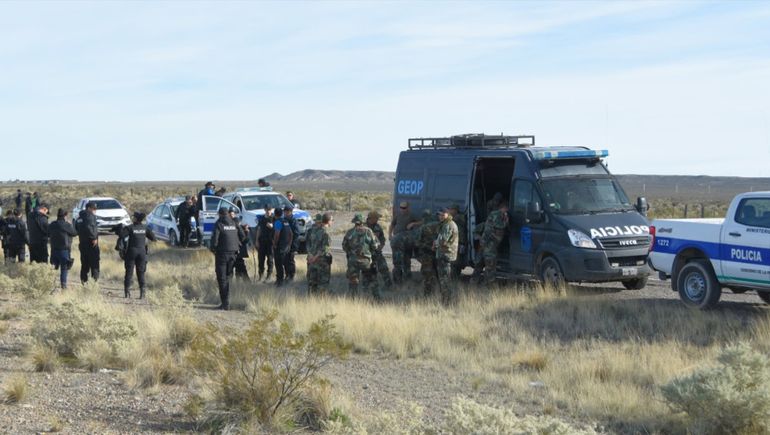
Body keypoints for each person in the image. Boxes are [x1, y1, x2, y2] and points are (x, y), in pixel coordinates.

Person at [210, 207, 244, 310]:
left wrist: (213, 249)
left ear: (220, 214)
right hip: (234, 254)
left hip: (222, 254)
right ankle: (227, 302)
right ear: (228, 214)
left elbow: (214, 240)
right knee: (227, 277)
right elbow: (243, 236)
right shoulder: (234, 223)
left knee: (222, 278)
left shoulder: (219, 223)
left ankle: (225, 303)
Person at [343, 213, 381, 300]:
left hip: (353, 260)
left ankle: (352, 300)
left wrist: (351, 253)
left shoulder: (349, 232)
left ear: (354, 222)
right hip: (366, 261)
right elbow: (375, 246)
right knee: (371, 280)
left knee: (353, 281)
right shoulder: (368, 231)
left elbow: (344, 246)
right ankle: (375, 299)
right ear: (363, 222)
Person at [118, 212, 157, 299]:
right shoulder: (145, 228)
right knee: (141, 273)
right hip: (142, 252)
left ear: (135, 219)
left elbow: (121, 235)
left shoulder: (130, 228)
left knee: (129, 272)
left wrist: (120, 229)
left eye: (133, 217)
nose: (132, 218)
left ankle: (127, 292)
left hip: (131, 252)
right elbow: (153, 238)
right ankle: (142, 293)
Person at [388, 201, 421, 285]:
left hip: (406, 242)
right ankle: (397, 282)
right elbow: (392, 225)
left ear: (408, 207)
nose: (402, 209)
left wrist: (413, 223)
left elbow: (422, 222)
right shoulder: (398, 215)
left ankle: (407, 281)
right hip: (397, 241)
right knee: (397, 262)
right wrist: (390, 235)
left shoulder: (411, 215)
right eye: (401, 207)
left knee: (406, 261)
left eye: (404, 208)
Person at [435, 207, 459, 305]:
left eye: (442, 214)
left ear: (447, 214)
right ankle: (446, 300)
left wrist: (435, 243)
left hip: (446, 255)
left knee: (445, 279)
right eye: (439, 215)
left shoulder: (448, 225)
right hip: (444, 254)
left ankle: (447, 302)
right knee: (444, 279)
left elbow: (443, 241)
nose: (440, 216)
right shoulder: (445, 224)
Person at [481, 201, 510, 287]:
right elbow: (499, 225)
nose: (507, 211)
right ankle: (489, 283)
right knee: (490, 264)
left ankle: (488, 282)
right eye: (506, 209)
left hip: (491, 242)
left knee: (491, 264)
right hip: (489, 242)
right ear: (503, 208)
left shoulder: (499, 214)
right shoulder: (496, 214)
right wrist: (506, 220)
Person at [49, 209, 78, 290]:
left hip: (54, 250)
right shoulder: (66, 225)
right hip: (64, 250)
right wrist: (70, 225)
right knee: (64, 269)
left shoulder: (52, 224)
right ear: (65, 216)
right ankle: (63, 287)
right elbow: (75, 233)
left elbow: (47, 233)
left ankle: (50, 285)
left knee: (53, 269)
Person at [364, 211, 393, 290]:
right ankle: (366, 288)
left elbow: (382, 239)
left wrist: (381, 246)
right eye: (376, 218)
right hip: (366, 254)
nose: (378, 219)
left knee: (384, 268)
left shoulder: (378, 227)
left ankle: (389, 286)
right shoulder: (363, 227)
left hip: (377, 252)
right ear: (372, 218)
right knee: (367, 271)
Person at [306, 213, 333, 295]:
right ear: (328, 221)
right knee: (322, 284)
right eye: (332, 220)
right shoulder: (326, 232)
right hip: (321, 262)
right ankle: (320, 301)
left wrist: (310, 255)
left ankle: (311, 300)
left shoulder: (314, 230)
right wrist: (315, 257)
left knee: (312, 283)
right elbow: (325, 249)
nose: (332, 222)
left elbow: (309, 244)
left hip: (312, 260)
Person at [415, 210, 439, 297]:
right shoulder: (439, 225)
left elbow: (417, 243)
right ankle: (438, 292)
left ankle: (427, 294)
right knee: (437, 273)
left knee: (427, 274)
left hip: (426, 254)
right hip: (437, 254)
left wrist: (427, 247)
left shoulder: (422, 228)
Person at [76, 201, 100, 284]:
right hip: (91, 244)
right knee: (94, 264)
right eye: (94, 209)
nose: (95, 211)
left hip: (82, 243)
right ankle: (94, 284)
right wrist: (93, 238)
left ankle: (84, 282)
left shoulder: (79, 217)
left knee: (84, 265)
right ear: (89, 208)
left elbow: (76, 228)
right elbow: (89, 227)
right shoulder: (90, 216)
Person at [272, 208, 292, 287]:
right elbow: (291, 234)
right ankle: (288, 278)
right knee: (286, 263)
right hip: (286, 246)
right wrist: (289, 244)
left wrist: (274, 243)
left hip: (279, 247)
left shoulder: (278, 222)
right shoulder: (286, 222)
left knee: (278, 264)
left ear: (275, 214)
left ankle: (280, 281)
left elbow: (277, 234)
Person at [229, 207, 250, 281]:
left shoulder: (235, 226)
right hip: (234, 252)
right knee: (234, 270)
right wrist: (246, 233)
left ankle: (238, 283)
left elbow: (243, 238)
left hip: (235, 251)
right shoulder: (236, 226)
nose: (231, 216)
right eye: (230, 214)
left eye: (232, 214)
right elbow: (244, 240)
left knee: (237, 270)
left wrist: (246, 231)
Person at [255, 204, 275, 281]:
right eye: (267, 209)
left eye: (269, 209)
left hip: (270, 242)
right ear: (264, 210)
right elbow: (259, 229)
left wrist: (272, 227)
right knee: (261, 259)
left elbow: (277, 230)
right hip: (262, 241)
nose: (268, 211)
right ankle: (260, 275)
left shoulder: (274, 218)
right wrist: (257, 241)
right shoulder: (262, 218)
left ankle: (269, 276)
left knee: (270, 259)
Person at [447, 204, 467, 280]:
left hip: (459, 243)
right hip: (457, 242)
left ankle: (453, 278)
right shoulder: (457, 217)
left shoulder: (459, 217)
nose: (450, 211)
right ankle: (455, 277)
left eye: (451, 209)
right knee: (455, 261)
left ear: (455, 210)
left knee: (454, 261)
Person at [284, 205, 300, 282]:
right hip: (284, 244)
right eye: (285, 211)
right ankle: (287, 274)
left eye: (287, 212)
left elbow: (296, 233)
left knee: (290, 260)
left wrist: (292, 244)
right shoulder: (284, 220)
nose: (286, 213)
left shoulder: (294, 221)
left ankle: (292, 275)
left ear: (290, 212)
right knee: (284, 260)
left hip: (292, 244)